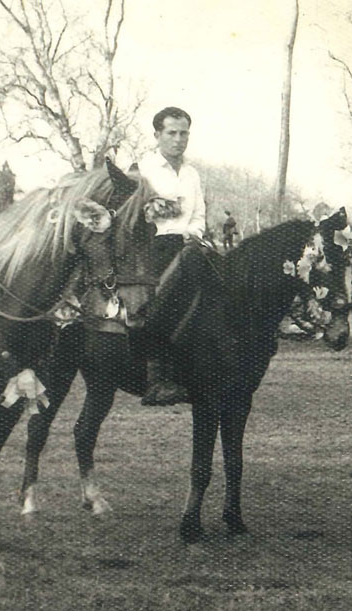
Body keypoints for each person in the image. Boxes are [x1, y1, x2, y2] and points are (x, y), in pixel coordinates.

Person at [135, 106, 207, 406]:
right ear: (157, 135)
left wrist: (193, 233)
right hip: (152, 247)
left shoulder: (191, 174)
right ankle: (156, 377)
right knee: (166, 298)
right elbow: (134, 216)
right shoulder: (141, 169)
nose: (179, 140)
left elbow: (200, 215)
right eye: (172, 133)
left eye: (184, 133)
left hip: (188, 246)